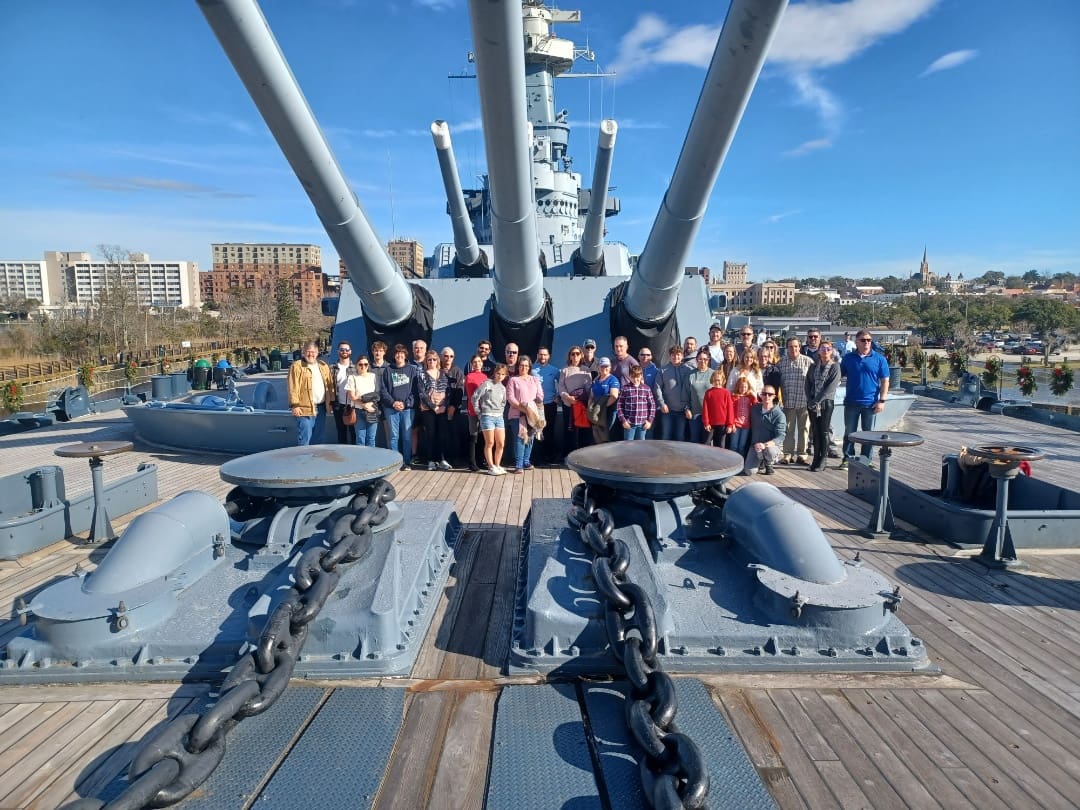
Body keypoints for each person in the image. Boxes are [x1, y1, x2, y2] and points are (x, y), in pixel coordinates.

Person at [839, 329, 891, 468]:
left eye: (869, 340)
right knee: (849, 432)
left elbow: (885, 381)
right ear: (856, 342)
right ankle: (848, 458)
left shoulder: (879, 359)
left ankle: (865, 460)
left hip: (870, 404)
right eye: (863, 340)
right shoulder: (848, 358)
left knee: (868, 434)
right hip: (851, 403)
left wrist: (882, 400)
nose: (866, 342)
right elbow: (838, 376)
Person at [287, 341, 334, 446]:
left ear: (317, 353)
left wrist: (330, 402)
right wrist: (294, 405)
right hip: (305, 409)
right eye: (308, 352)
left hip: (321, 408)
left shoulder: (323, 366)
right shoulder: (297, 366)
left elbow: (330, 385)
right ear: (303, 352)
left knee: (319, 438)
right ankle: (303, 461)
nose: (311, 354)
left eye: (313, 352)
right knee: (305, 439)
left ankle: (316, 461)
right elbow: (293, 386)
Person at [381, 344, 418, 469]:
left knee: (407, 436)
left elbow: (415, 391)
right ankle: (395, 463)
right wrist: (393, 403)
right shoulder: (388, 370)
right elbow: (383, 390)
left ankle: (406, 462)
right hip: (391, 409)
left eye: (402, 353)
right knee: (393, 436)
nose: (399, 355)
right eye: (397, 353)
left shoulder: (412, 370)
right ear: (394, 355)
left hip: (407, 409)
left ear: (405, 355)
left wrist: (406, 403)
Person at [805, 340, 840, 471]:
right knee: (815, 431)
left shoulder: (834, 367)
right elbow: (808, 384)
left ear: (832, 351)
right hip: (812, 403)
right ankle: (815, 459)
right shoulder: (813, 367)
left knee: (824, 431)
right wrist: (810, 400)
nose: (825, 351)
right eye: (823, 349)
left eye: (828, 349)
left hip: (825, 403)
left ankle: (823, 460)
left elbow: (830, 388)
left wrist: (817, 400)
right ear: (819, 351)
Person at [777, 337, 813, 465]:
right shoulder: (781, 363)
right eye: (790, 347)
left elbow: (814, 382)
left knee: (804, 429)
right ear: (787, 348)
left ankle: (802, 455)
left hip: (804, 402)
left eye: (796, 346)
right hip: (788, 402)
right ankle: (787, 454)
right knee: (788, 430)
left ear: (800, 347)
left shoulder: (808, 362)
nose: (793, 349)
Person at [506, 354, 544, 473]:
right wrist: (523, 408)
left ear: (529, 367)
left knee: (531, 438)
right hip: (517, 414)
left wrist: (535, 404)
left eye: (526, 366)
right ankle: (518, 465)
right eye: (521, 365)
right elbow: (510, 398)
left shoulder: (534, 379)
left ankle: (526, 461)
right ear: (518, 367)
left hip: (533, 414)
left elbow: (540, 395)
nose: (524, 368)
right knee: (520, 438)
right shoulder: (513, 380)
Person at [418, 350, 453, 470]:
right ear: (426, 361)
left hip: (442, 409)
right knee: (430, 435)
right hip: (428, 410)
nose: (431, 361)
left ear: (437, 360)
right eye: (429, 359)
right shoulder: (422, 374)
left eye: (434, 359)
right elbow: (422, 394)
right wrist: (434, 407)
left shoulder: (443, 374)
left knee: (442, 435)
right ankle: (431, 460)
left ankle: (442, 459)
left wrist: (445, 406)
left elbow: (448, 392)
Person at [472, 364, 509, 475]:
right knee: (490, 442)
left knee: (501, 443)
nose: (500, 376)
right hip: (487, 416)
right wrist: (479, 412)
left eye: (503, 374)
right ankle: (491, 466)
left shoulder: (503, 388)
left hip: (499, 417)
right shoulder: (487, 384)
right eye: (498, 373)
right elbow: (475, 397)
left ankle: (497, 465)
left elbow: (503, 402)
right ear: (494, 373)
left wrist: (500, 412)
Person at [558, 346, 593, 457]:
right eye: (573, 354)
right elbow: (561, 388)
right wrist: (568, 398)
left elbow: (589, 387)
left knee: (584, 430)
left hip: (582, 405)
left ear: (581, 355)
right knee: (569, 431)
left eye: (577, 353)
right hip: (569, 405)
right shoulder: (564, 370)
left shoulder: (586, 370)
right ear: (569, 356)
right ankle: (568, 456)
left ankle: (583, 456)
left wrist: (583, 399)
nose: (575, 356)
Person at [743, 386, 786, 476]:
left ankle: (769, 463)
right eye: (764, 394)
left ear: (774, 396)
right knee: (749, 472)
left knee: (770, 451)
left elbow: (780, 436)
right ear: (761, 396)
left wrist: (764, 445)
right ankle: (761, 461)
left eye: (770, 394)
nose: (767, 396)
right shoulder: (754, 409)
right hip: (755, 446)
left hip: (769, 446)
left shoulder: (779, 415)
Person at [657, 345, 691, 441]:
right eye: (673, 355)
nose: (676, 357)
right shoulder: (663, 370)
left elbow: (690, 390)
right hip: (667, 410)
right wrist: (662, 403)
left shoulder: (688, 370)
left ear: (682, 356)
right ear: (670, 356)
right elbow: (657, 387)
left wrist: (687, 407)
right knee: (666, 435)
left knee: (680, 437)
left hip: (682, 411)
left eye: (678, 355)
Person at [346, 355, 380, 447]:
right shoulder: (352, 378)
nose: (363, 366)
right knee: (360, 439)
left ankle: (371, 460)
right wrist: (364, 405)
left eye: (365, 364)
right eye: (360, 364)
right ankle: (361, 460)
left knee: (371, 438)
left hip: (372, 410)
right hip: (359, 411)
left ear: (368, 365)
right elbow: (351, 396)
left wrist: (369, 404)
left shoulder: (373, 376)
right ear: (356, 365)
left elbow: (377, 394)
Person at [534, 347, 561, 464]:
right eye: (540, 355)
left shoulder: (554, 370)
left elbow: (563, 383)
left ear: (549, 356)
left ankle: (550, 456)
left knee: (549, 431)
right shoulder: (531, 369)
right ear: (537, 355)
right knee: (538, 431)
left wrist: (558, 396)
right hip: (536, 405)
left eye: (545, 355)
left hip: (550, 404)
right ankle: (539, 458)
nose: (542, 357)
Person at [616, 364, 656, 440]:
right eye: (633, 377)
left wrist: (650, 421)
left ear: (641, 376)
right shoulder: (625, 388)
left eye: (637, 377)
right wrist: (623, 420)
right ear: (629, 376)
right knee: (628, 445)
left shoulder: (646, 389)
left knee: (641, 446)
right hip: (629, 423)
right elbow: (619, 405)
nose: (635, 379)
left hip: (643, 424)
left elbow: (652, 405)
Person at [440, 347, 465, 464]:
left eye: (451, 356)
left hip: (454, 409)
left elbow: (460, 390)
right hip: (439, 408)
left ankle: (455, 459)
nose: (448, 358)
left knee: (454, 434)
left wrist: (453, 406)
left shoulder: (457, 371)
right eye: (446, 356)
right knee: (442, 435)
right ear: (441, 356)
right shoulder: (437, 370)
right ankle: (443, 458)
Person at [464, 355, 489, 471]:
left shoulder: (485, 377)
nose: (477, 364)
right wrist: (477, 409)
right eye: (475, 362)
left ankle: (480, 460)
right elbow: (471, 395)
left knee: (482, 437)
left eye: (479, 361)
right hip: (473, 410)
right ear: (472, 364)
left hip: (484, 411)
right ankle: (472, 463)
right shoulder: (469, 377)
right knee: (473, 436)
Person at [330, 342, 356, 445]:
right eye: (341, 349)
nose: (344, 351)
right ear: (338, 351)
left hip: (353, 405)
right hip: (338, 405)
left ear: (350, 351)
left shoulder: (355, 368)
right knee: (341, 432)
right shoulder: (332, 368)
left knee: (354, 433)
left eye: (346, 349)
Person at [685, 348, 714, 444]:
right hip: (695, 414)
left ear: (708, 360)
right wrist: (686, 408)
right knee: (694, 441)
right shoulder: (690, 375)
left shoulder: (713, 374)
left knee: (706, 442)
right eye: (700, 359)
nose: (702, 361)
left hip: (709, 415)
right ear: (696, 360)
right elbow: (685, 394)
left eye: (705, 359)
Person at [589, 358, 620, 443]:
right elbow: (591, 396)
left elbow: (614, 396)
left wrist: (601, 407)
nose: (604, 368)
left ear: (610, 367)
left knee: (606, 436)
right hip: (596, 412)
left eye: (606, 366)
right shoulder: (595, 380)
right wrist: (590, 408)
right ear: (598, 367)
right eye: (602, 366)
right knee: (597, 434)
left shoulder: (613, 379)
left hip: (608, 411)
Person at [636, 346, 665, 438]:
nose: (645, 356)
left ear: (651, 357)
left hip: (650, 407)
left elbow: (658, 389)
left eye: (648, 355)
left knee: (648, 433)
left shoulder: (657, 371)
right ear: (638, 356)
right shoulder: (634, 369)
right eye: (642, 354)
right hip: (636, 407)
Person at [701, 369, 735, 447]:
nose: (717, 382)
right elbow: (705, 409)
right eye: (715, 380)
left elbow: (730, 410)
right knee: (706, 443)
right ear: (712, 380)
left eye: (719, 380)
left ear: (723, 380)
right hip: (711, 424)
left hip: (722, 424)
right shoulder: (709, 393)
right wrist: (706, 423)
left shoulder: (726, 393)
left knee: (720, 445)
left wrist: (730, 424)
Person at [729, 376, 756, 457]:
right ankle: (733, 463)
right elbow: (730, 411)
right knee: (734, 446)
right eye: (741, 386)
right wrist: (732, 424)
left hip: (746, 426)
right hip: (736, 425)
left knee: (742, 446)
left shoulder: (750, 397)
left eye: (745, 386)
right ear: (738, 386)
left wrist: (753, 394)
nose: (743, 388)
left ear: (747, 387)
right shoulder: (734, 396)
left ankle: (741, 463)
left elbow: (756, 405)